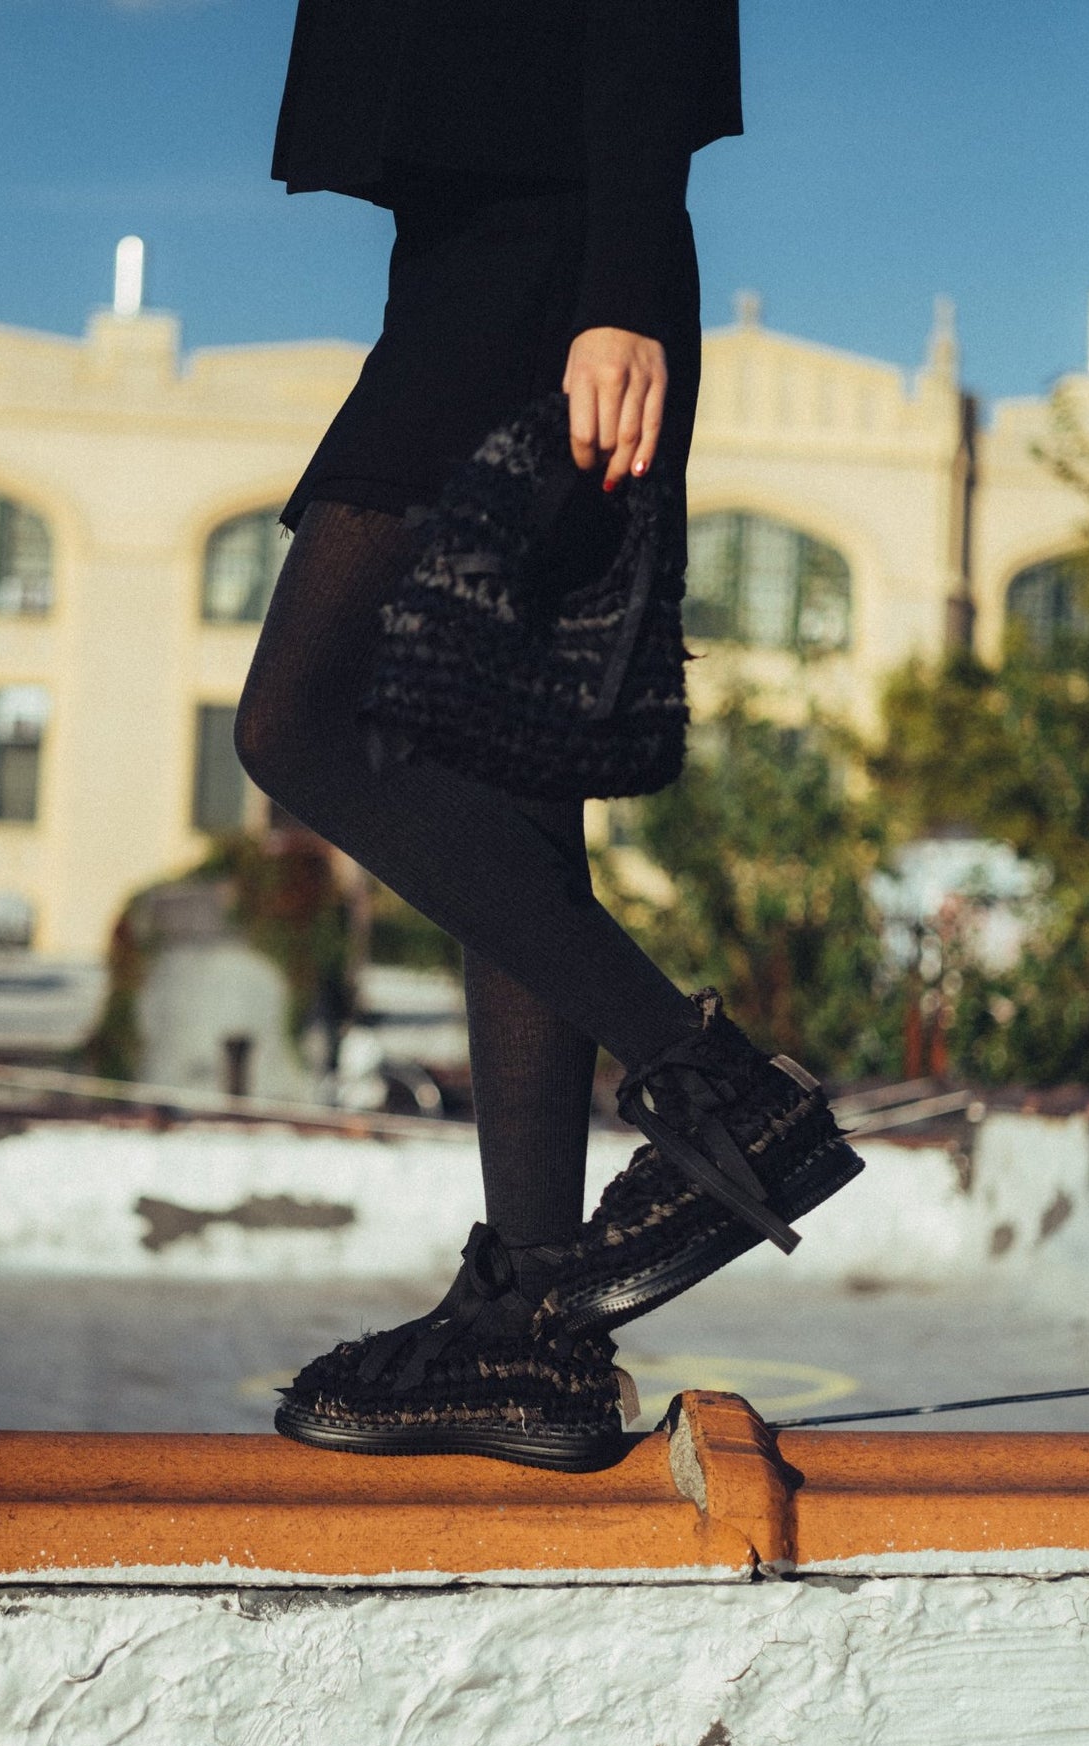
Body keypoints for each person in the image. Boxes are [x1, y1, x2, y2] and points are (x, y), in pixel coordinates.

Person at [238, 0, 863, 1470]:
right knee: (503, 770)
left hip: (557, 268)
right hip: (480, 254)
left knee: (305, 719)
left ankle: (718, 1093)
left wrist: (626, 281)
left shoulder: (586, 261)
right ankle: (533, 1331)